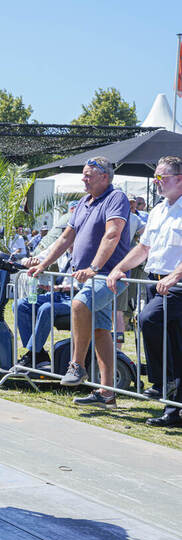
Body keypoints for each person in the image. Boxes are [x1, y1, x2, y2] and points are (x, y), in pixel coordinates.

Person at [30, 157, 130, 408]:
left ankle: (76, 365)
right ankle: (107, 393)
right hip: (88, 277)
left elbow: (113, 234)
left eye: (88, 175)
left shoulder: (115, 197)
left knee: (79, 304)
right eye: (83, 174)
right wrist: (43, 264)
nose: (83, 179)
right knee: (100, 331)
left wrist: (93, 267)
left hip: (106, 275)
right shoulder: (85, 202)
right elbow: (66, 238)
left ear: (104, 177)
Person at [108, 156, 182, 426]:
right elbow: (144, 248)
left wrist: (175, 275)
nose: (156, 182)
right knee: (174, 345)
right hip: (155, 282)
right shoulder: (159, 210)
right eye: (156, 177)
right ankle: (173, 408)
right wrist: (119, 268)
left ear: (180, 179)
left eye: (162, 177)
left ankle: (161, 382)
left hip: (177, 286)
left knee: (148, 320)